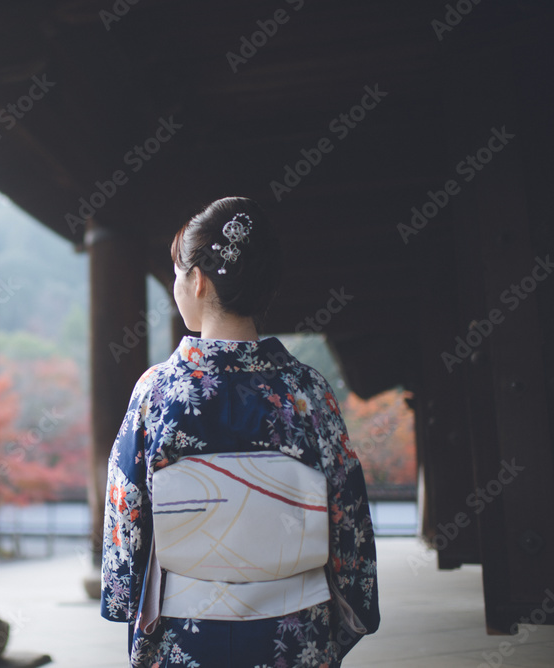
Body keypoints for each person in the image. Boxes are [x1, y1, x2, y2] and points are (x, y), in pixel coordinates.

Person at [100, 197, 380, 667]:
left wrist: (122, 599)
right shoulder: (307, 390)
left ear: (199, 280)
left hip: (187, 631)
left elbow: (126, 511)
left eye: (177, 273)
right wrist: (355, 603)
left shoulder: (156, 392)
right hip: (295, 631)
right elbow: (347, 509)